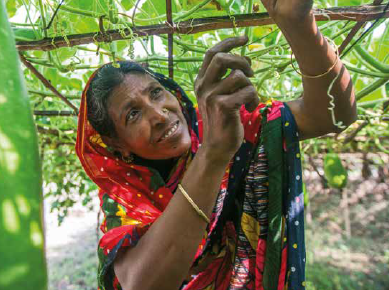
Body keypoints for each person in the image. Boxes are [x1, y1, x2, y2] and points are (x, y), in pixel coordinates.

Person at [76, 1, 356, 289]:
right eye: (133, 114)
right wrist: (213, 154)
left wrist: (299, 25)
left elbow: (331, 117)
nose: (159, 115)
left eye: (156, 93)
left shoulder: (221, 123)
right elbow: (140, 283)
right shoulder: (124, 197)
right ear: (116, 145)